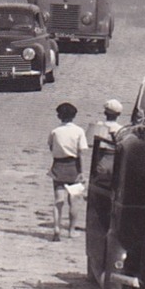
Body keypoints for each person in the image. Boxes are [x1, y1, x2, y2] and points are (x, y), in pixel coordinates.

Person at [47, 102, 88, 241]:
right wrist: (82, 172)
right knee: (74, 201)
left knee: (58, 200)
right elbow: (81, 152)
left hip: (58, 166)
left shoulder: (55, 131)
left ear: (59, 116)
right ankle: (71, 230)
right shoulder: (79, 131)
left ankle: (56, 229)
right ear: (74, 115)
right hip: (73, 167)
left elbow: (51, 147)